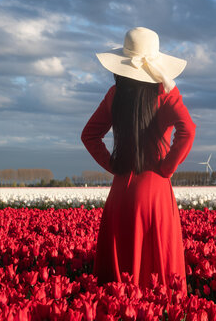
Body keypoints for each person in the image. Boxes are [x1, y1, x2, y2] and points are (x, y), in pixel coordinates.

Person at [81, 27, 195, 293]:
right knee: (157, 272)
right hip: (154, 188)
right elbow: (188, 129)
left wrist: (113, 165)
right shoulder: (164, 95)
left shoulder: (114, 94)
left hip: (121, 189)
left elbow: (89, 135)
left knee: (119, 282)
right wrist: (166, 167)